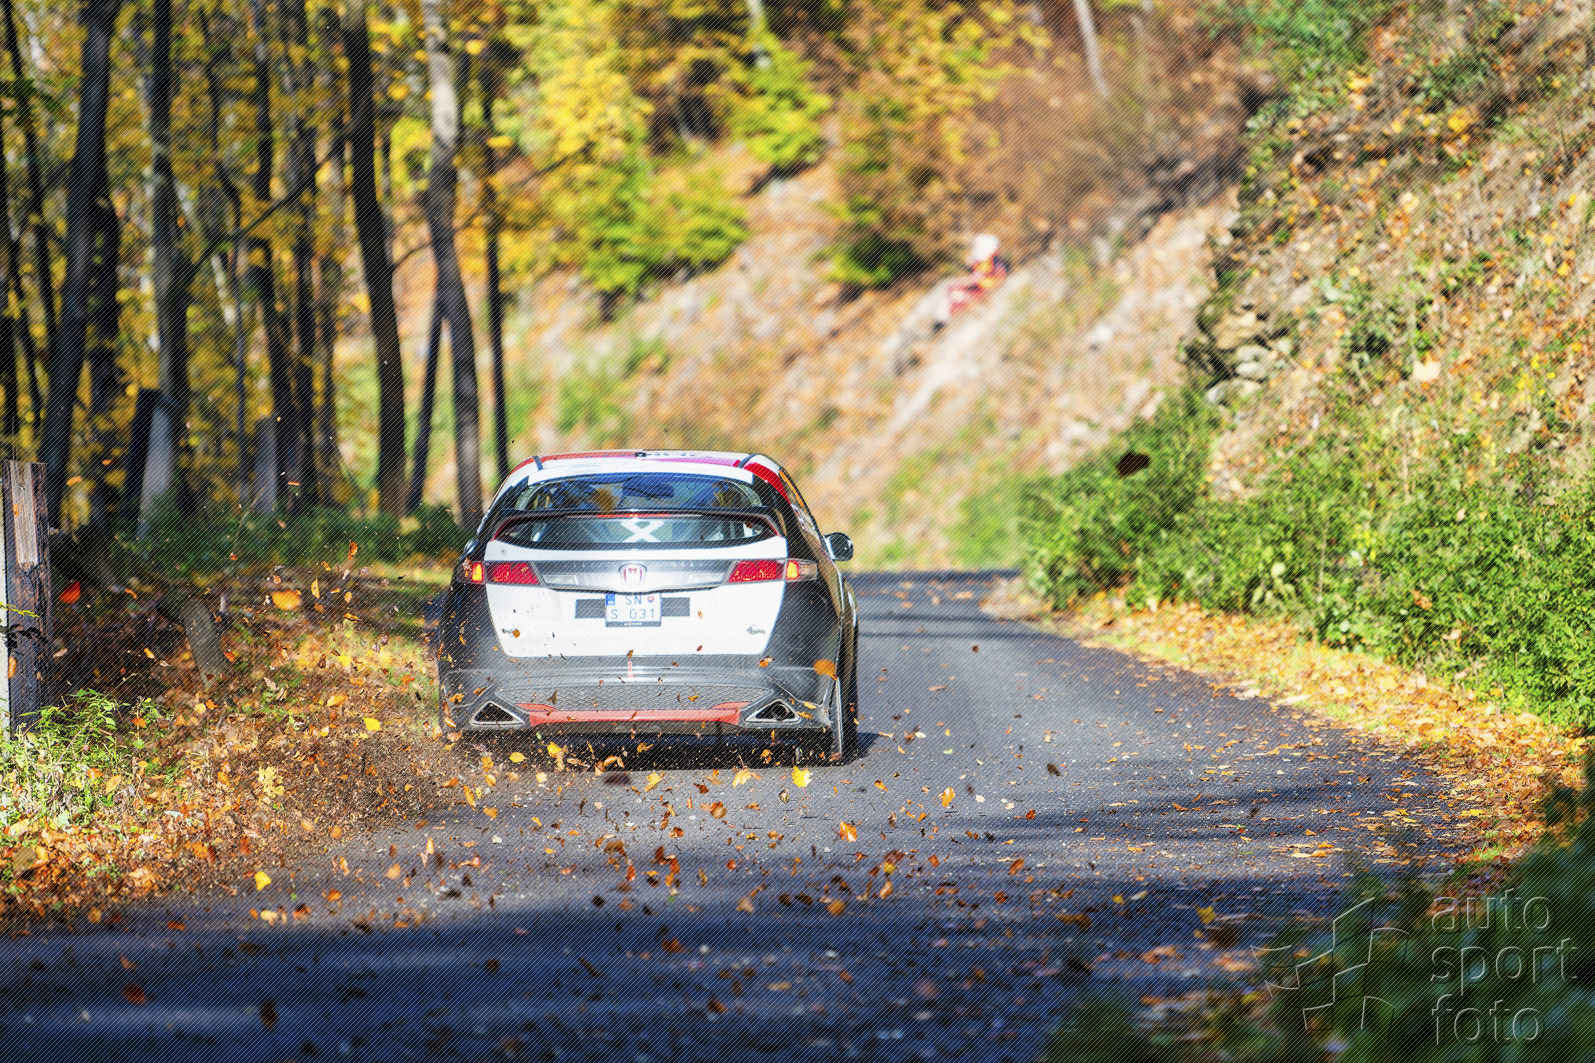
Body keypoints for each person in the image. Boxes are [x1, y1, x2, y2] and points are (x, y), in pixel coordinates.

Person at [936, 233, 1009, 327]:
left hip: (982, 292)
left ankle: (944, 320)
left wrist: (979, 281)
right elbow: (972, 273)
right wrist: (971, 277)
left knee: (955, 295)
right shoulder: (978, 260)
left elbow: (997, 281)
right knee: (950, 291)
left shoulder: (997, 264)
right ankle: (941, 320)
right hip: (974, 289)